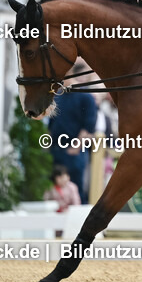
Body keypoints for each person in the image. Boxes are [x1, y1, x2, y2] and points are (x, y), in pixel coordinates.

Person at [46, 61, 97, 203]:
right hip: (56, 150)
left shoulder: (85, 96)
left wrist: (76, 147)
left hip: (74, 152)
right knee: (56, 192)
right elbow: (51, 124)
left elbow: (88, 127)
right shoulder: (58, 96)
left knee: (76, 190)